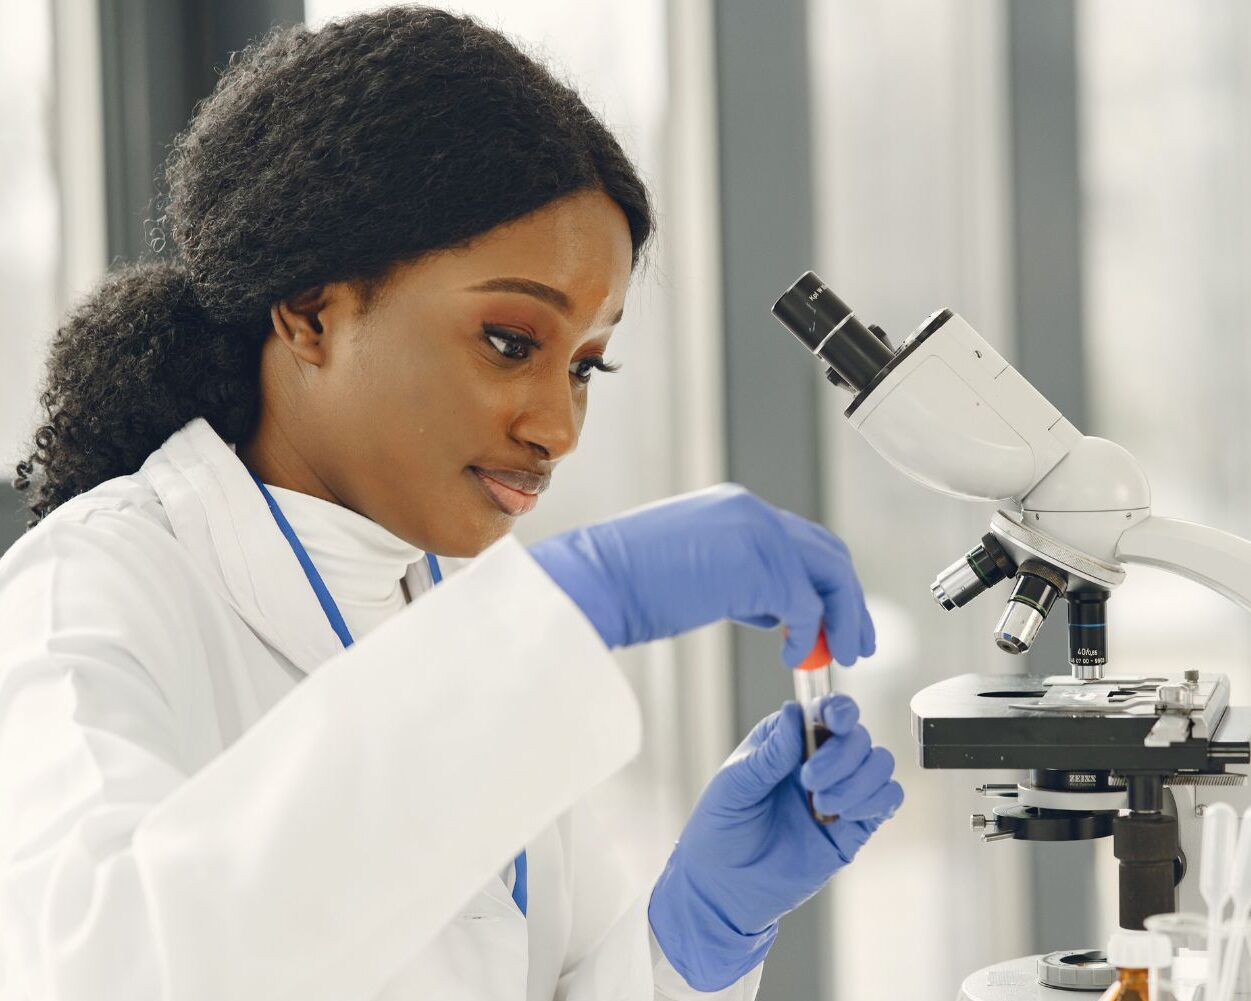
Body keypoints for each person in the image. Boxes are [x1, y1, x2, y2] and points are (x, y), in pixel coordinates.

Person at [0, 7, 902, 1000]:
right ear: (311, 310)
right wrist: (573, 601)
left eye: (588, 365)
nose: (559, 424)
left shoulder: (442, 605)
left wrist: (693, 939)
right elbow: (102, 967)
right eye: (512, 341)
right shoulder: (92, 589)